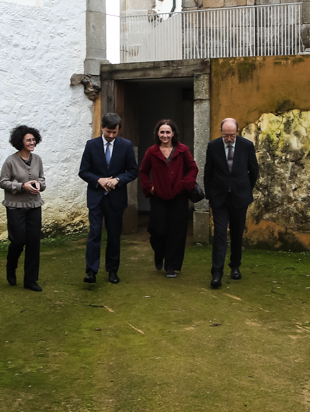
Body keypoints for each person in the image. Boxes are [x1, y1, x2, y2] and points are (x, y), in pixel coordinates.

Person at [77, 113, 138, 284]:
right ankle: (91, 271)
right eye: (108, 132)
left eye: (115, 133)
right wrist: (99, 180)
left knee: (114, 236)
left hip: (116, 198)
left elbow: (133, 171)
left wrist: (117, 180)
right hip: (96, 197)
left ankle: (112, 271)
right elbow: (83, 171)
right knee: (94, 233)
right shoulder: (91, 145)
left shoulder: (126, 145)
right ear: (102, 128)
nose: (111, 136)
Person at [203, 117, 259, 289]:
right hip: (220, 198)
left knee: (237, 232)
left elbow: (253, 171)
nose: (228, 139)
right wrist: (210, 197)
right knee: (219, 234)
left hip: (239, 197)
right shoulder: (213, 146)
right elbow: (208, 172)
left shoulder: (247, 146)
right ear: (221, 132)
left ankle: (235, 266)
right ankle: (217, 273)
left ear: (237, 132)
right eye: (225, 135)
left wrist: (245, 190)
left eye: (232, 135)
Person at [139, 119, 198, 277]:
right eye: (162, 132)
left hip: (179, 197)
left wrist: (185, 184)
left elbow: (193, 168)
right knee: (158, 230)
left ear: (173, 134)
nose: (165, 135)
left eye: (168, 132)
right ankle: (159, 253)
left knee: (176, 232)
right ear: (157, 134)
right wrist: (149, 187)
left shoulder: (182, 150)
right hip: (158, 197)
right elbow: (143, 172)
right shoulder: (152, 151)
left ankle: (171, 265)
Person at [0, 124, 46, 292]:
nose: (32, 142)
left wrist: (38, 185)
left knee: (34, 242)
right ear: (20, 141)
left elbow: (42, 179)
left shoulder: (38, 159)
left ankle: (30, 280)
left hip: (34, 205)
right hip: (15, 207)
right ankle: (11, 266)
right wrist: (22, 186)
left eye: (34, 139)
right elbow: (3, 182)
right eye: (29, 140)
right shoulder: (10, 161)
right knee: (18, 241)